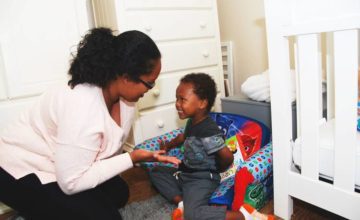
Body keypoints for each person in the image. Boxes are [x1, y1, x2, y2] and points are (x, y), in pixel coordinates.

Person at [0, 27, 181, 220]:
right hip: (19, 168)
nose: (150, 89)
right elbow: (70, 183)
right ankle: (35, 208)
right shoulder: (83, 106)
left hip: (62, 164)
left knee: (118, 192)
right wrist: (132, 158)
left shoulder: (125, 100)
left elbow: (102, 155)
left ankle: (46, 208)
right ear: (126, 77)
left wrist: (133, 157)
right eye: (150, 83)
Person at [149, 73, 274, 220]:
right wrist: (168, 146)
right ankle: (182, 203)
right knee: (156, 171)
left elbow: (227, 156)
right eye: (177, 98)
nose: (177, 103)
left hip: (202, 178)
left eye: (183, 99)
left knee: (193, 215)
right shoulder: (192, 122)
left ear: (202, 103)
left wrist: (218, 168)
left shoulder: (208, 131)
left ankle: (245, 216)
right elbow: (182, 137)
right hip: (185, 172)